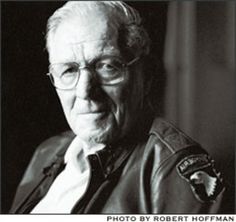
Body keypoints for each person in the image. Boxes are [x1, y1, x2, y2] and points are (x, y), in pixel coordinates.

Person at [10, 1, 225, 214]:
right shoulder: (46, 153)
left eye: (107, 66)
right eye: (68, 70)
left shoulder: (169, 167)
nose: (85, 91)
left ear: (146, 76)